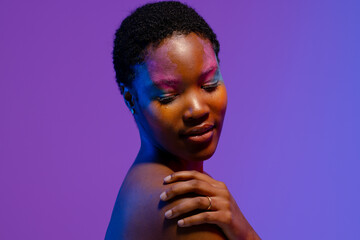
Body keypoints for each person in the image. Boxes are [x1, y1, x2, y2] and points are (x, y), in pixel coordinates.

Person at [106, 2, 260, 239]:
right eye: (169, 97)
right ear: (131, 99)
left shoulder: (143, 184)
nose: (197, 110)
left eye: (210, 84)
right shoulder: (179, 205)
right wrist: (246, 234)